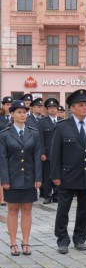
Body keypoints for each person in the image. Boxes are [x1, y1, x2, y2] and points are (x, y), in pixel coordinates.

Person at [50, 89, 86, 254]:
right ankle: (62, 240)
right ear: (71, 108)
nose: (85, 108)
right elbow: (55, 153)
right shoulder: (62, 127)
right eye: (81, 105)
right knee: (63, 209)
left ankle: (80, 238)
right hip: (68, 175)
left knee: (84, 210)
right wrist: (55, 175)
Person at [0, 100, 42, 256]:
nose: (22, 114)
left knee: (27, 209)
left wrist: (38, 177)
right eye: (19, 112)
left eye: (24, 112)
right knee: (12, 210)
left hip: (30, 177)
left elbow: (37, 156)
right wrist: (4, 179)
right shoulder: (4, 134)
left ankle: (25, 242)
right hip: (13, 177)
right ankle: (12, 243)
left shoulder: (34, 132)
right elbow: (2, 159)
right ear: (12, 114)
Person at [39, 98, 60, 204]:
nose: (52, 109)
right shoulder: (42, 122)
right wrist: (42, 152)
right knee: (47, 177)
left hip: (59, 154)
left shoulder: (61, 121)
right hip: (47, 154)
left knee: (58, 174)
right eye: (50, 108)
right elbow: (40, 139)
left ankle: (56, 195)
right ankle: (47, 195)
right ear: (47, 110)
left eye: (54, 107)